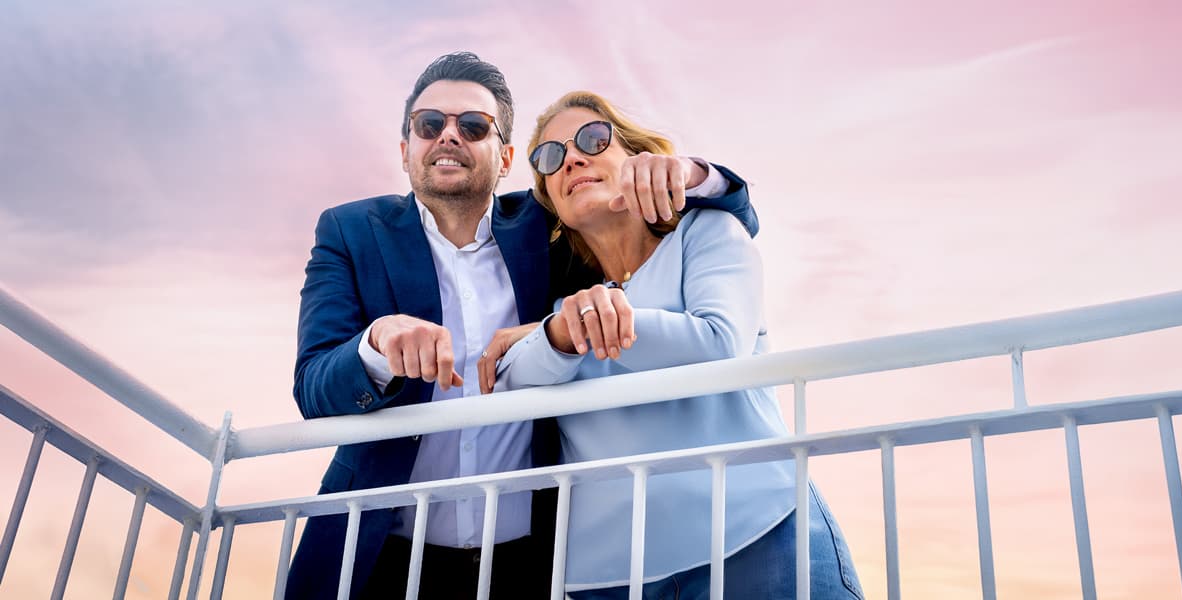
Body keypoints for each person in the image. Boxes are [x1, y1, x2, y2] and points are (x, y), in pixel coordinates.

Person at [286, 52, 758, 600]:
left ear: (505, 156)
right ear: (405, 149)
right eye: (429, 124)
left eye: (473, 126)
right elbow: (313, 385)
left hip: (531, 561)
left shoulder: (548, 227)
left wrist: (693, 175)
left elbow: (729, 220)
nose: (448, 136)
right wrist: (374, 345)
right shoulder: (349, 231)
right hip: (382, 554)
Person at [492, 91, 865, 599]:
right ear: (551, 200)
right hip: (608, 577)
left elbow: (717, 344)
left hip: (757, 537)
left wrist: (584, 322)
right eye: (550, 157)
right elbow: (510, 380)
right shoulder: (563, 304)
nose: (572, 157)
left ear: (636, 158)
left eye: (592, 139)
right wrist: (559, 327)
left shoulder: (707, 232)